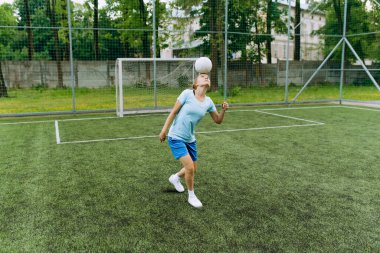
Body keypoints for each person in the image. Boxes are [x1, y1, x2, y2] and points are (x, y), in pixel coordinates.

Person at [159, 73, 229, 208]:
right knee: (190, 167)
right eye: (202, 76)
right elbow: (173, 112)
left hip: (190, 138)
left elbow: (218, 120)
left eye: (208, 76)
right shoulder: (187, 94)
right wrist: (164, 130)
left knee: (193, 168)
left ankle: (175, 177)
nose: (206, 77)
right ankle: (191, 196)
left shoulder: (208, 101)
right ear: (195, 84)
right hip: (176, 136)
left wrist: (223, 110)